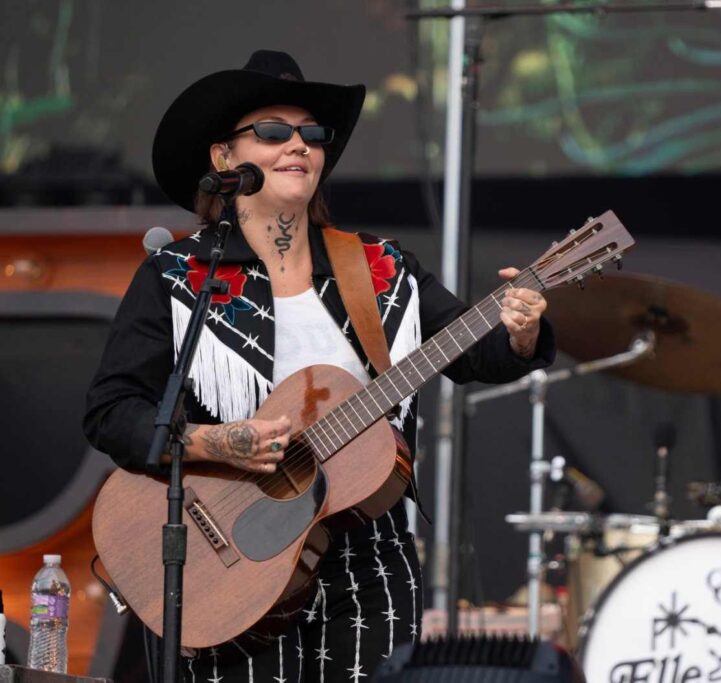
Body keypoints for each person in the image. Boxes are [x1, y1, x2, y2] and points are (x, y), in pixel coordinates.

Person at [83, 50, 556, 681]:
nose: (297, 146)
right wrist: (216, 441)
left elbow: (476, 353)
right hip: (224, 565)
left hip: (369, 566)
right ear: (224, 159)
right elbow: (112, 412)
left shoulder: (382, 270)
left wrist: (521, 333)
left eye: (313, 134)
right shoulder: (179, 277)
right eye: (273, 132)